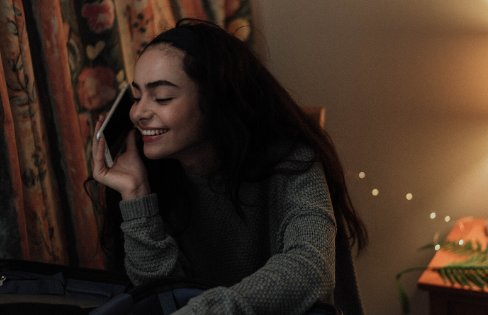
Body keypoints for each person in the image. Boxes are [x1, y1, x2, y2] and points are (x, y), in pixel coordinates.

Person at [91, 18, 368, 315]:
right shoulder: (153, 172)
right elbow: (163, 295)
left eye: (162, 98)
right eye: (136, 96)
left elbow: (311, 269)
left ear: (217, 100)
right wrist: (136, 195)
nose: (139, 112)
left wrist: (205, 311)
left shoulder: (293, 162)